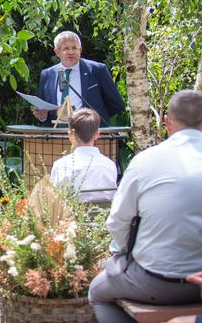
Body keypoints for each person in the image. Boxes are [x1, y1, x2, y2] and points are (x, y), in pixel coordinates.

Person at [88, 90, 202, 323]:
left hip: (156, 281)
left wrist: (122, 254)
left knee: (98, 292)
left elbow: (118, 221)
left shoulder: (146, 161)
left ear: (167, 122)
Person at [33, 31, 125, 126]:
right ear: (57, 52)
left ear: (80, 50)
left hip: (89, 134)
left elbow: (116, 104)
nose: (71, 52)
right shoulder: (47, 74)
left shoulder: (97, 71)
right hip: (57, 135)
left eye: (74, 48)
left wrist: (95, 121)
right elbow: (43, 109)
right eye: (65, 49)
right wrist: (42, 116)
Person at [50, 108, 117, 202]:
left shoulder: (60, 165)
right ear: (97, 134)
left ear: (70, 135)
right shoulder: (110, 165)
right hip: (104, 216)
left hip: (70, 216)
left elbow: (54, 200)